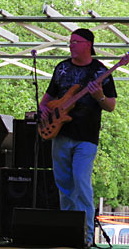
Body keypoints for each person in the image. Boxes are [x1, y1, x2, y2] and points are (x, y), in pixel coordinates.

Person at [39, 28, 118, 246]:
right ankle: (68, 232)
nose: (71, 44)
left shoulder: (100, 71)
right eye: (70, 41)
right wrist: (44, 110)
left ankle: (86, 237)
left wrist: (99, 95)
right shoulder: (62, 68)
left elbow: (110, 105)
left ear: (88, 45)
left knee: (81, 183)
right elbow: (47, 100)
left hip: (86, 137)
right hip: (60, 134)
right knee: (64, 185)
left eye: (75, 41)